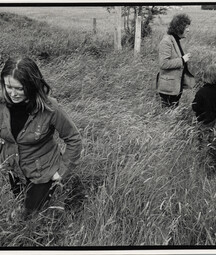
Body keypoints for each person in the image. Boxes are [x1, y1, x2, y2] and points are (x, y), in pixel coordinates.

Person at [0, 57, 82, 219]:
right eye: (8, 87)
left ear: (31, 86)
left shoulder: (50, 108)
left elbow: (74, 138)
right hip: (14, 168)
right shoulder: (1, 104)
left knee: (29, 215)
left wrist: (61, 172)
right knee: (19, 201)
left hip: (42, 171)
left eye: (19, 88)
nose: (13, 93)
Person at [156, 13, 195, 108]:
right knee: (167, 115)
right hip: (168, 89)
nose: (188, 30)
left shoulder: (175, 40)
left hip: (175, 87)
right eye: (186, 27)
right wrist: (182, 60)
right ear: (179, 27)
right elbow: (163, 64)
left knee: (172, 113)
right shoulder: (166, 41)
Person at [192, 64, 216, 175]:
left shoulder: (201, 92)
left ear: (205, 76)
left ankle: (204, 169)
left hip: (204, 123)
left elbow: (195, 106)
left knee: (203, 146)